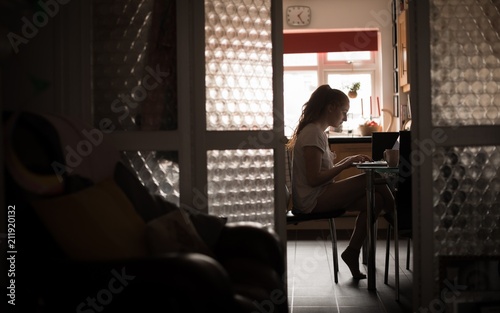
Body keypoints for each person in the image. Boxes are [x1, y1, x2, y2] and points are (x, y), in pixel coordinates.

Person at [286, 84, 395, 279]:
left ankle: (352, 252)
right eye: (344, 112)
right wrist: (346, 165)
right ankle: (397, 213)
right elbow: (313, 180)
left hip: (321, 194)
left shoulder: (318, 132)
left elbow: (323, 172)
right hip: (312, 200)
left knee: (376, 200)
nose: (345, 117)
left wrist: (348, 160)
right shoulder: (313, 133)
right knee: (375, 176)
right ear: (331, 107)